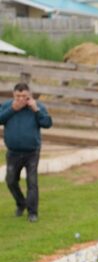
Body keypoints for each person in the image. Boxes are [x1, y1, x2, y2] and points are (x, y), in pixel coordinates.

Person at [1, 82, 52, 223]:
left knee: (32, 182)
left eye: (24, 96)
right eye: (18, 96)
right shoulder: (6, 106)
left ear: (29, 95)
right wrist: (12, 109)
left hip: (32, 152)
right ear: (13, 95)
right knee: (10, 181)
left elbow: (47, 123)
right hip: (13, 152)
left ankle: (32, 212)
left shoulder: (38, 106)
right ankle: (21, 203)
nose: (21, 99)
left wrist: (36, 110)